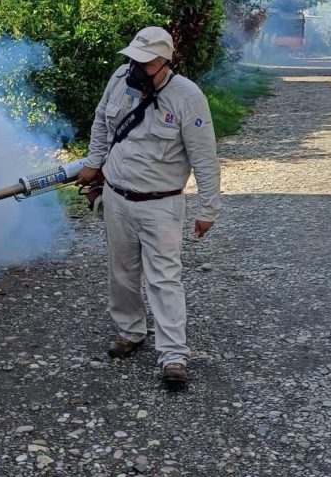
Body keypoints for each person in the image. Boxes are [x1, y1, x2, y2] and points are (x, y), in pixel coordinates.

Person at [76, 27, 221, 390]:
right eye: (133, 60)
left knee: (164, 279)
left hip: (161, 204)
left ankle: (173, 355)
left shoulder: (188, 97)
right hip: (116, 197)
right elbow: (101, 122)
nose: (135, 68)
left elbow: (205, 158)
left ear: (164, 62)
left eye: (145, 63)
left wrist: (208, 209)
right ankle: (130, 332)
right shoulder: (119, 79)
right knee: (122, 273)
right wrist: (94, 163)